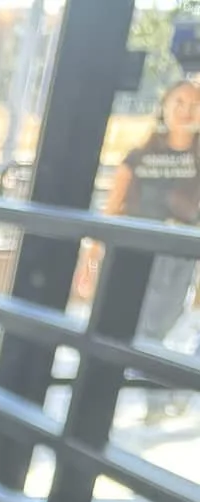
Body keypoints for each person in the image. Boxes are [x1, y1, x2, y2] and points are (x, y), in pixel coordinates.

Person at [87, 79, 200, 381]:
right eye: (179, 102)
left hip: (177, 264)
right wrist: (90, 260)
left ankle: (148, 389)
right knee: (121, 331)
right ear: (164, 106)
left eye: (195, 104)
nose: (186, 111)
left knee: (158, 337)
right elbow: (112, 209)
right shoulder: (139, 156)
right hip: (132, 255)